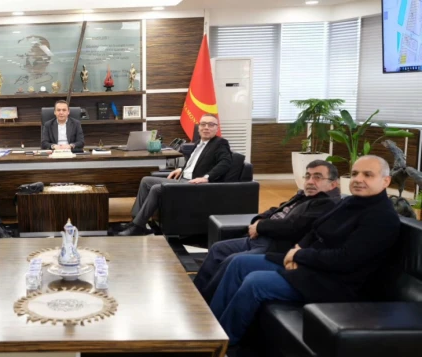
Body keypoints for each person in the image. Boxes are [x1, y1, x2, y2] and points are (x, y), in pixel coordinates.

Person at [210, 155, 400, 344]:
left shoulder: (382, 217)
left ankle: (222, 343)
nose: (358, 179)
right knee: (239, 263)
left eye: (368, 175)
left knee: (255, 282)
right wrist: (298, 249)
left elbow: (346, 259)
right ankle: (210, 328)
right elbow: (316, 228)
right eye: (355, 173)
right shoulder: (349, 202)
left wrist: (300, 255)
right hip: (310, 265)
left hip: (333, 282)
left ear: (386, 181)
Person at [194, 160, 341, 303]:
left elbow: (293, 227)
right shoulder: (304, 195)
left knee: (234, 261)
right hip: (260, 238)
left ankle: (206, 304)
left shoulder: (327, 204)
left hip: (274, 246)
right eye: (307, 176)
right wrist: (258, 220)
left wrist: (260, 226)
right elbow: (277, 209)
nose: (310, 181)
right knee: (218, 249)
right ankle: (195, 295)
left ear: (333, 184)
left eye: (317, 177)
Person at [118, 113, 232, 236]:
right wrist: (181, 169)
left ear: (216, 128)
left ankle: (137, 226)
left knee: (156, 188)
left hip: (195, 185)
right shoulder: (198, 143)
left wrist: (206, 178)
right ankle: (135, 221)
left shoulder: (220, 143)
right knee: (146, 180)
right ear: (199, 127)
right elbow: (194, 164)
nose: (206, 127)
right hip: (183, 180)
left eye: (210, 125)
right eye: (203, 124)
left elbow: (225, 163)